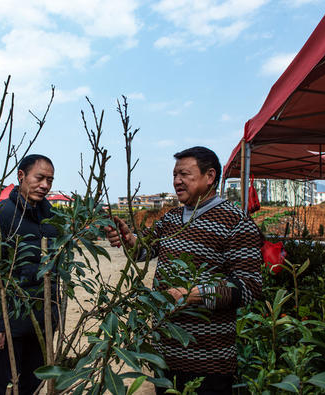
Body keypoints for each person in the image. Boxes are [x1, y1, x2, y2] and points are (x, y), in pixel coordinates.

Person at [106, 146, 263, 395]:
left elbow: (249, 287)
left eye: (184, 174)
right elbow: (143, 251)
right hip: (165, 356)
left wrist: (191, 295)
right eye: (174, 175)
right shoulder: (171, 218)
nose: (177, 181)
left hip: (209, 362)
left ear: (210, 176)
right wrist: (128, 238)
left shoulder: (237, 223)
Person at [0, 154, 58, 395]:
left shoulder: (52, 219)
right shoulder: (0, 216)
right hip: (10, 323)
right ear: (21, 176)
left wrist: (54, 314)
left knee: (33, 384)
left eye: (50, 180)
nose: (45, 185)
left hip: (43, 320)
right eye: (39, 178)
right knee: (5, 384)